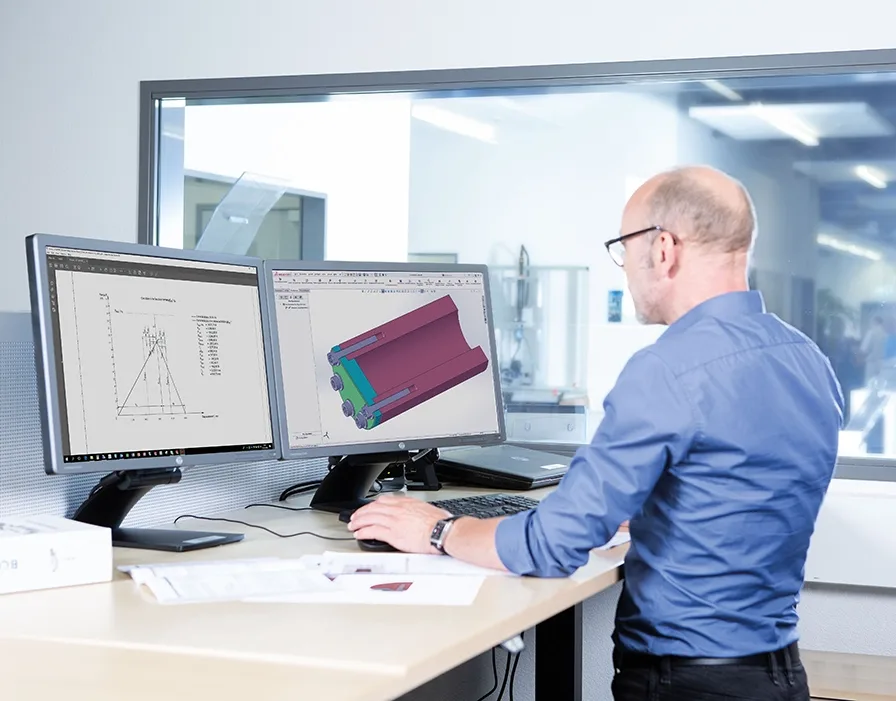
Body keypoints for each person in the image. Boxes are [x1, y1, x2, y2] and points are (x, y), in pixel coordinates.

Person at [348, 166, 844, 701]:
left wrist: (438, 530)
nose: (625, 267)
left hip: (685, 684)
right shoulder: (806, 359)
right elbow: (745, 492)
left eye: (624, 246)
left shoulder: (667, 369)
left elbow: (553, 545)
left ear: (663, 248)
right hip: (778, 677)